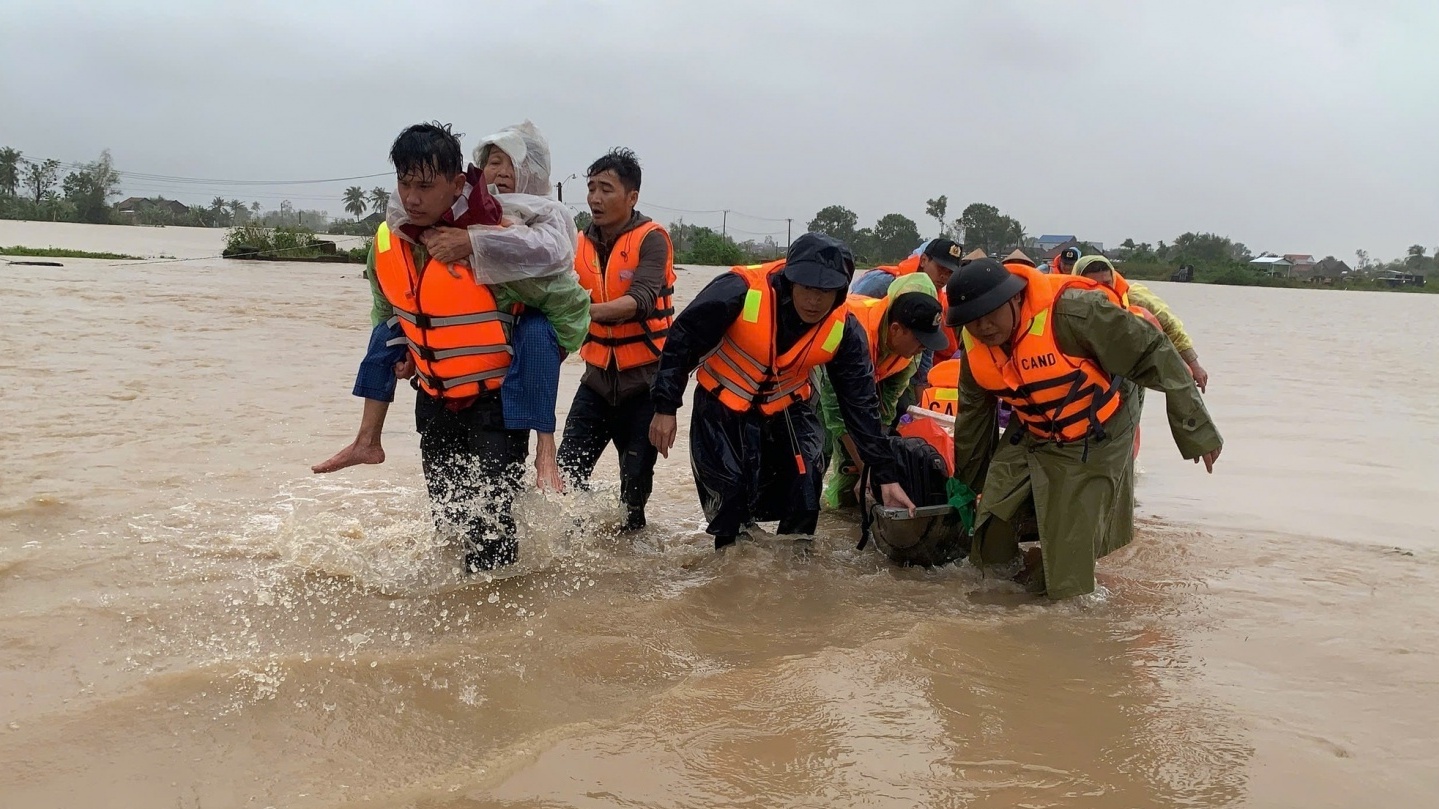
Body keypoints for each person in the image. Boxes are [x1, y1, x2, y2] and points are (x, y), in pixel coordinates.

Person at [333, 122, 589, 572]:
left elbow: (570, 307)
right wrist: (406, 349)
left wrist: (547, 353)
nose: (412, 198)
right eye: (405, 184)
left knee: (491, 536)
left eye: (426, 186)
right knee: (449, 524)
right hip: (432, 401)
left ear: (456, 183)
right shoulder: (389, 241)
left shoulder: (497, 243)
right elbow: (384, 305)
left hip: (494, 407)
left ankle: (496, 631)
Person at [946, 258, 1222, 599]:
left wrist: (1196, 430)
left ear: (1016, 298)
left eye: (992, 314)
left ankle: (1062, 600)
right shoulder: (974, 346)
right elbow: (973, 417)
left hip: (1102, 420)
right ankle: (1010, 593)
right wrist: (965, 488)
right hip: (1033, 423)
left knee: (1067, 572)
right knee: (990, 526)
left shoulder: (1076, 313)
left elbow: (1154, 352)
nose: (984, 327)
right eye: (974, 321)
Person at [648, 233, 917, 549]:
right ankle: (730, 573)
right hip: (721, 408)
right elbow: (681, 341)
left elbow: (861, 407)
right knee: (730, 499)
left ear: (841, 292)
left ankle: (792, 573)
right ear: (790, 281)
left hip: (787, 409)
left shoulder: (846, 330)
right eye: (806, 288)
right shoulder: (737, 290)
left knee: (805, 492)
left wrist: (885, 476)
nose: (813, 301)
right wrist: (665, 408)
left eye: (825, 292)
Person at [557, 148, 675, 531]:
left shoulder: (652, 239)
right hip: (595, 382)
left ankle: (632, 558)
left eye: (606, 189)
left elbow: (640, 302)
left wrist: (578, 312)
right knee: (563, 480)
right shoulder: (576, 242)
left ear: (632, 197)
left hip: (643, 386)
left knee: (634, 494)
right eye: (591, 188)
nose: (594, 198)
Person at [818, 288, 948, 509]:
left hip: (863, 383)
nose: (922, 350)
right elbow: (836, 412)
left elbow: (884, 412)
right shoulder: (853, 333)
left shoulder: (907, 353)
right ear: (896, 329)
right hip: (819, 372)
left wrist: (879, 465)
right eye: (919, 342)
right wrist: (868, 468)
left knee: (865, 469)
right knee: (816, 455)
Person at [1070, 255, 1209, 391]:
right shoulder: (1068, 303)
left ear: (1113, 278)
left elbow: (1170, 325)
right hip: (1084, 373)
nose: (1102, 291)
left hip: (1128, 373)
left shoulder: (1134, 297)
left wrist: (1194, 366)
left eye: (1107, 283)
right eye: (1094, 285)